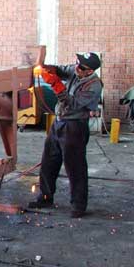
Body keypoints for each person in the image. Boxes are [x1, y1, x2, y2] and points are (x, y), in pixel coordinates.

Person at [28, 52, 103, 218]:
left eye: (81, 66)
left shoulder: (94, 86)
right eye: (77, 63)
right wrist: (45, 68)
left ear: (89, 71)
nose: (76, 67)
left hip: (75, 126)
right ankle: (45, 197)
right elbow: (60, 70)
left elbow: (72, 103)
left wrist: (55, 84)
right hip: (59, 122)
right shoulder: (75, 70)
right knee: (48, 162)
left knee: (75, 167)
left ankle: (78, 205)